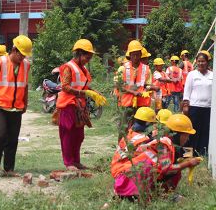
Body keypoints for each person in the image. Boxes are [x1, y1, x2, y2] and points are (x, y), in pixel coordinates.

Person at [110, 114, 201, 201]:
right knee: (174, 171)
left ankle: (160, 194)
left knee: (175, 169)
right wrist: (188, 163)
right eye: (186, 135)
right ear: (177, 134)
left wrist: (190, 156)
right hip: (130, 180)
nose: (187, 139)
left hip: (130, 178)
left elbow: (179, 152)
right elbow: (167, 170)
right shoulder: (163, 144)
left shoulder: (163, 140)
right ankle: (161, 195)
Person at [0, 35, 34, 178]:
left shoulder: (26, 65)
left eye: (25, 56)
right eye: (21, 55)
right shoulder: (1, 62)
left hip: (16, 108)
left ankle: (9, 168)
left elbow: (24, 86)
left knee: (13, 138)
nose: (23, 58)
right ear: (14, 50)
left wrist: (25, 103)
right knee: (0, 135)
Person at [55, 39, 107, 171]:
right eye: (86, 57)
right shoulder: (68, 67)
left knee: (79, 136)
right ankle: (69, 163)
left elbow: (84, 85)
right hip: (67, 105)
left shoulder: (83, 69)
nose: (87, 60)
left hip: (79, 106)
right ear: (78, 54)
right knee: (68, 134)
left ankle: (76, 161)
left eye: (89, 58)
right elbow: (65, 87)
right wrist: (84, 92)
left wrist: (95, 92)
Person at [118, 40, 153, 137]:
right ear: (130, 54)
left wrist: (150, 89)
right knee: (124, 128)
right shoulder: (123, 68)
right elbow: (119, 86)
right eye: (133, 54)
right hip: (127, 103)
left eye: (138, 54)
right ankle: (122, 149)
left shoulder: (147, 69)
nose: (136, 57)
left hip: (141, 104)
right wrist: (133, 92)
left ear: (141, 54)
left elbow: (147, 85)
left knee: (140, 129)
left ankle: (137, 149)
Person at [183, 51, 213, 156]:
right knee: (191, 131)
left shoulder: (212, 75)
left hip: (208, 108)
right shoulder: (192, 74)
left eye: (203, 61)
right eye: (199, 61)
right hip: (194, 107)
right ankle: (187, 154)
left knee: (205, 131)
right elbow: (187, 91)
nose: (201, 63)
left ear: (207, 62)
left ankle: (202, 153)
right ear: (196, 62)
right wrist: (186, 106)